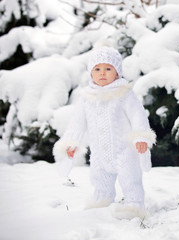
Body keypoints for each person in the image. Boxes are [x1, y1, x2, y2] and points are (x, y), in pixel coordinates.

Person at [53, 46, 156, 219]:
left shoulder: (124, 93)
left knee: (130, 179)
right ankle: (102, 203)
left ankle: (135, 205)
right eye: (97, 69)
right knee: (100, 179)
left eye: (108, 69)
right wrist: (71, 143)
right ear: (91, 73)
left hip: (124, 151)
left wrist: (140, 137)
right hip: (99, 153)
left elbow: (137, 115)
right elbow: (77, 123)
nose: (102, 73)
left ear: (117, 73)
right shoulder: (86, 97)